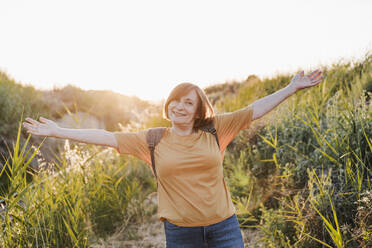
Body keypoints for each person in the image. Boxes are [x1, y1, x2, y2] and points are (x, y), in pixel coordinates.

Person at [23, 69, 323, 247]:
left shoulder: (216, 129)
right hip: (181, 234)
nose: (180, 106)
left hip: (225, 229)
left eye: (188, 102)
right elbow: (107, 137)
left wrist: (291, 87)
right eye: (175, 101)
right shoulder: (153, 140)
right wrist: (58, 131)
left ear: (197, 110)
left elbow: (256, 108)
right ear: (168, 106)